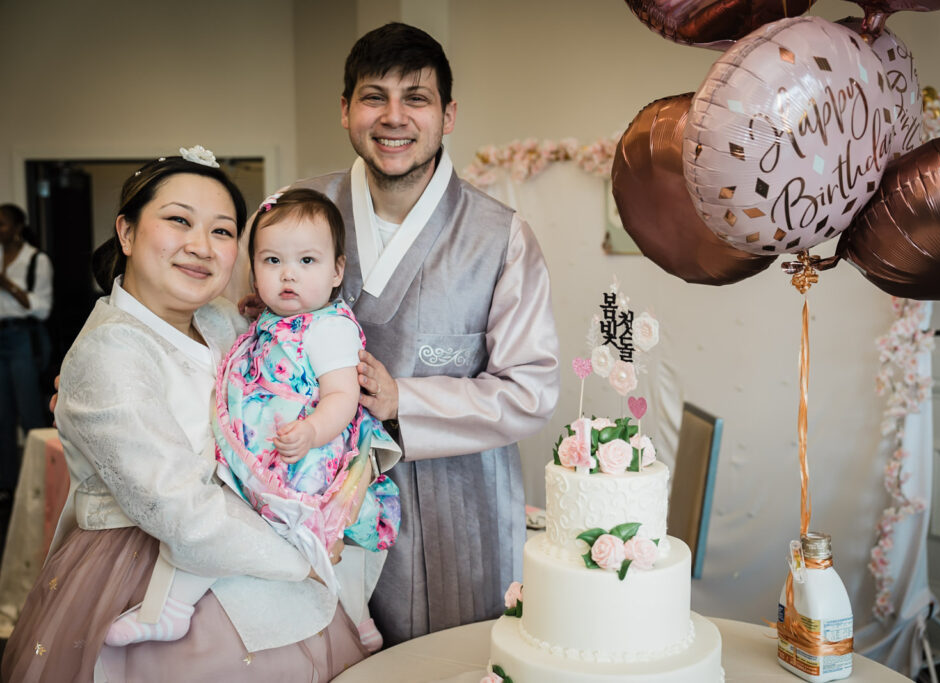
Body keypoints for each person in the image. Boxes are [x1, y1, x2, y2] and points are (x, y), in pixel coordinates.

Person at [1, 149, 371, 682]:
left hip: (259, 535)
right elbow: (180, 508)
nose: (201, 246)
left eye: (222, 231)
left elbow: (298, 383)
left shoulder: (223, 319)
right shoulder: (109, 354)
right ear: (126, 233)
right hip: (150, 564)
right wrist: (302, 558)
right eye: (178, 220)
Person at [286, 22, 561, 645]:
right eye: (373, 96)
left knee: (453, 660)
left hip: (458, 499)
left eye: (416, 98)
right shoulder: (293, 210)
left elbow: (531, 391)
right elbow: (235, 331)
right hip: (312, 486)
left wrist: (404, 399)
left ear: (448, 113)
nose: (394, 117)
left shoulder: (501, 237)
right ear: (345, 110)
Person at [104, 187, 400, 653]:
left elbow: (343, 398)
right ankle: (171, 609)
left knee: (317, 541)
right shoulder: (266, 320)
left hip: (303, 459)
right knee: (223, 529)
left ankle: (357, 619)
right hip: (259, 451)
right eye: (272, 261)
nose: (288, 275)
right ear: (252, 269)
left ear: (337, 270)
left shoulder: (330, 329)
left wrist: (312, 431)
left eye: (307, 262)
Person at [0, 203, 53, 500]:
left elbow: (43, 308)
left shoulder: (36, 260)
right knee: (2, 416)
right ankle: (7, 485)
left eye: (3, 224)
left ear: (18, 228)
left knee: (30, 412)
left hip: (24, 338)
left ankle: (40, 486)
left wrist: (7, 284)